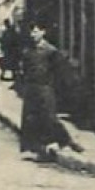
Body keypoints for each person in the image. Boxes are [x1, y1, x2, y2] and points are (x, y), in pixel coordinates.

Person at [17, 21, 82, 158]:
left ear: (43, 32)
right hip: (31, 88)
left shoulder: (50, 51)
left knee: (49, 117)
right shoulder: (28, 51)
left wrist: (56, 88)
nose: (32, 35)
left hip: (45, 87)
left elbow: (59, 71)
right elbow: (24, 70)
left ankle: (67, 141)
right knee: (31, 118)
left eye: (35, 31)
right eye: (31, 32)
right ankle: (37, 148)